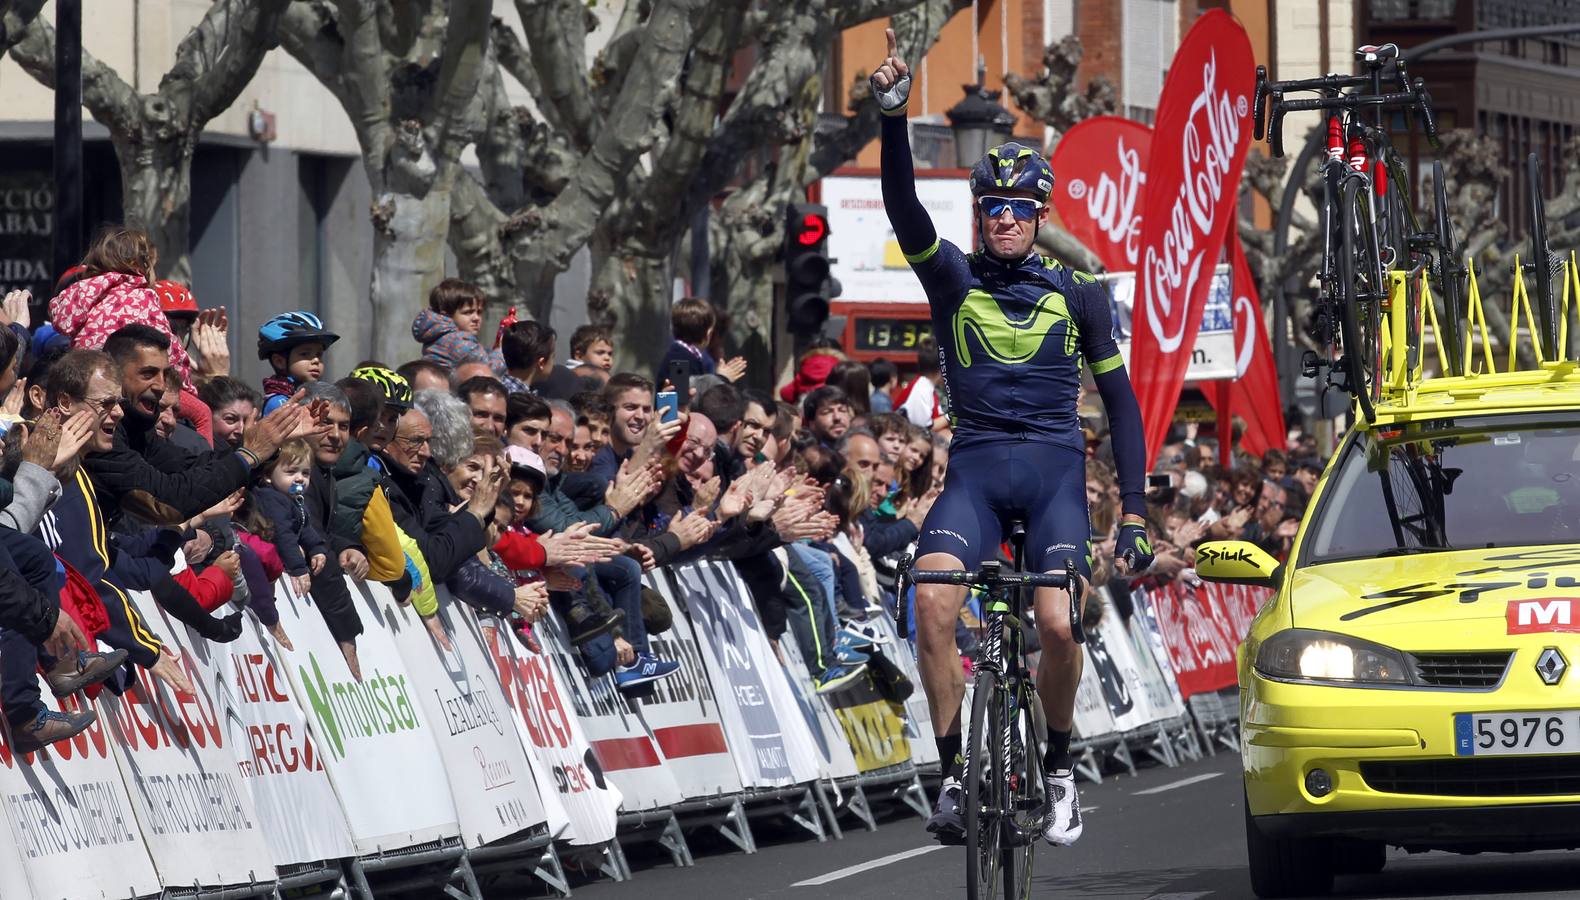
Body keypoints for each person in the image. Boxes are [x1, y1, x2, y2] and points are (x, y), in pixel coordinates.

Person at [872, 28, 1153, 848]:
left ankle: (1060, 770)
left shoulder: (1082, 293)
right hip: (977, 473)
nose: (1002, 220)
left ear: (1038, 215)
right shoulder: (952, 278)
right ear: (980, 216)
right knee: (930, 601)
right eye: (990, 208)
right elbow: (901, 208)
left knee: (1060, 625)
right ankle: (957, 775)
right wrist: (894, 116)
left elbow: (1122, 405)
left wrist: (1132, 515)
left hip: (1058, 474)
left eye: (1016, 209)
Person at [412, 279, 505, 374]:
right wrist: (503, 352)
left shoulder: (439, 336)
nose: (476, 318)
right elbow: (489, 370)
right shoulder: (458, 342)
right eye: (468, 312)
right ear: (446, 314)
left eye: (479, 312)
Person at [257, 311, 338, 414]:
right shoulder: (278, 403)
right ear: (279, 361)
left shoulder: (321, 397)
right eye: (305, 354)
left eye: (319, 354)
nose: (316, 360)